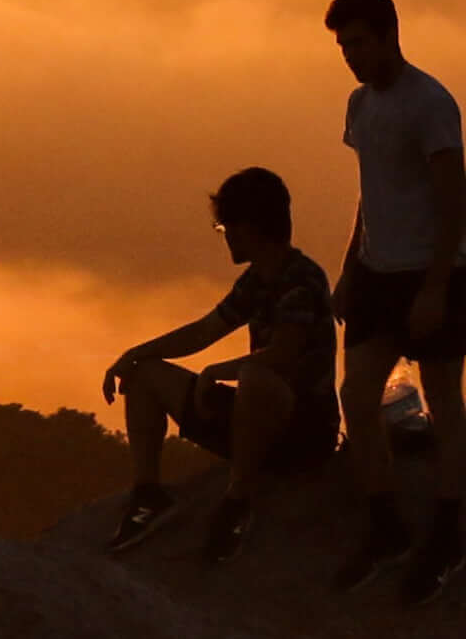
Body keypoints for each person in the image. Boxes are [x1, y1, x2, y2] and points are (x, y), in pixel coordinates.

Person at [320, 0, 466, 604]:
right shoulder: (360, 106)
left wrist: (437, 286)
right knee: (357, 395)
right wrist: (349, 268)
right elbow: (372, 189)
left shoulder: (431, 103)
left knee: (444, 405)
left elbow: (454, 198)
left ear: (390, 35)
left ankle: (447, 535)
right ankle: (386, 526)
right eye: (343, 46)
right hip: (377, 273)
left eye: (359, 42)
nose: (351, 55)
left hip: (429, 271)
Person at [100, 166, 337, 563]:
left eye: (226, 227)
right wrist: (134, 355)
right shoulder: (257, 279)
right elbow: (204, 332)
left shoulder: (302, 280)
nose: (224, 236)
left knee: (257, 377)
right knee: (146, 376)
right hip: (254, 416)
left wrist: (217, 373)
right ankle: (148, 495)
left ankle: (237, 503)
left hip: (303, 431)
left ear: (250, 227)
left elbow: (283, 356)